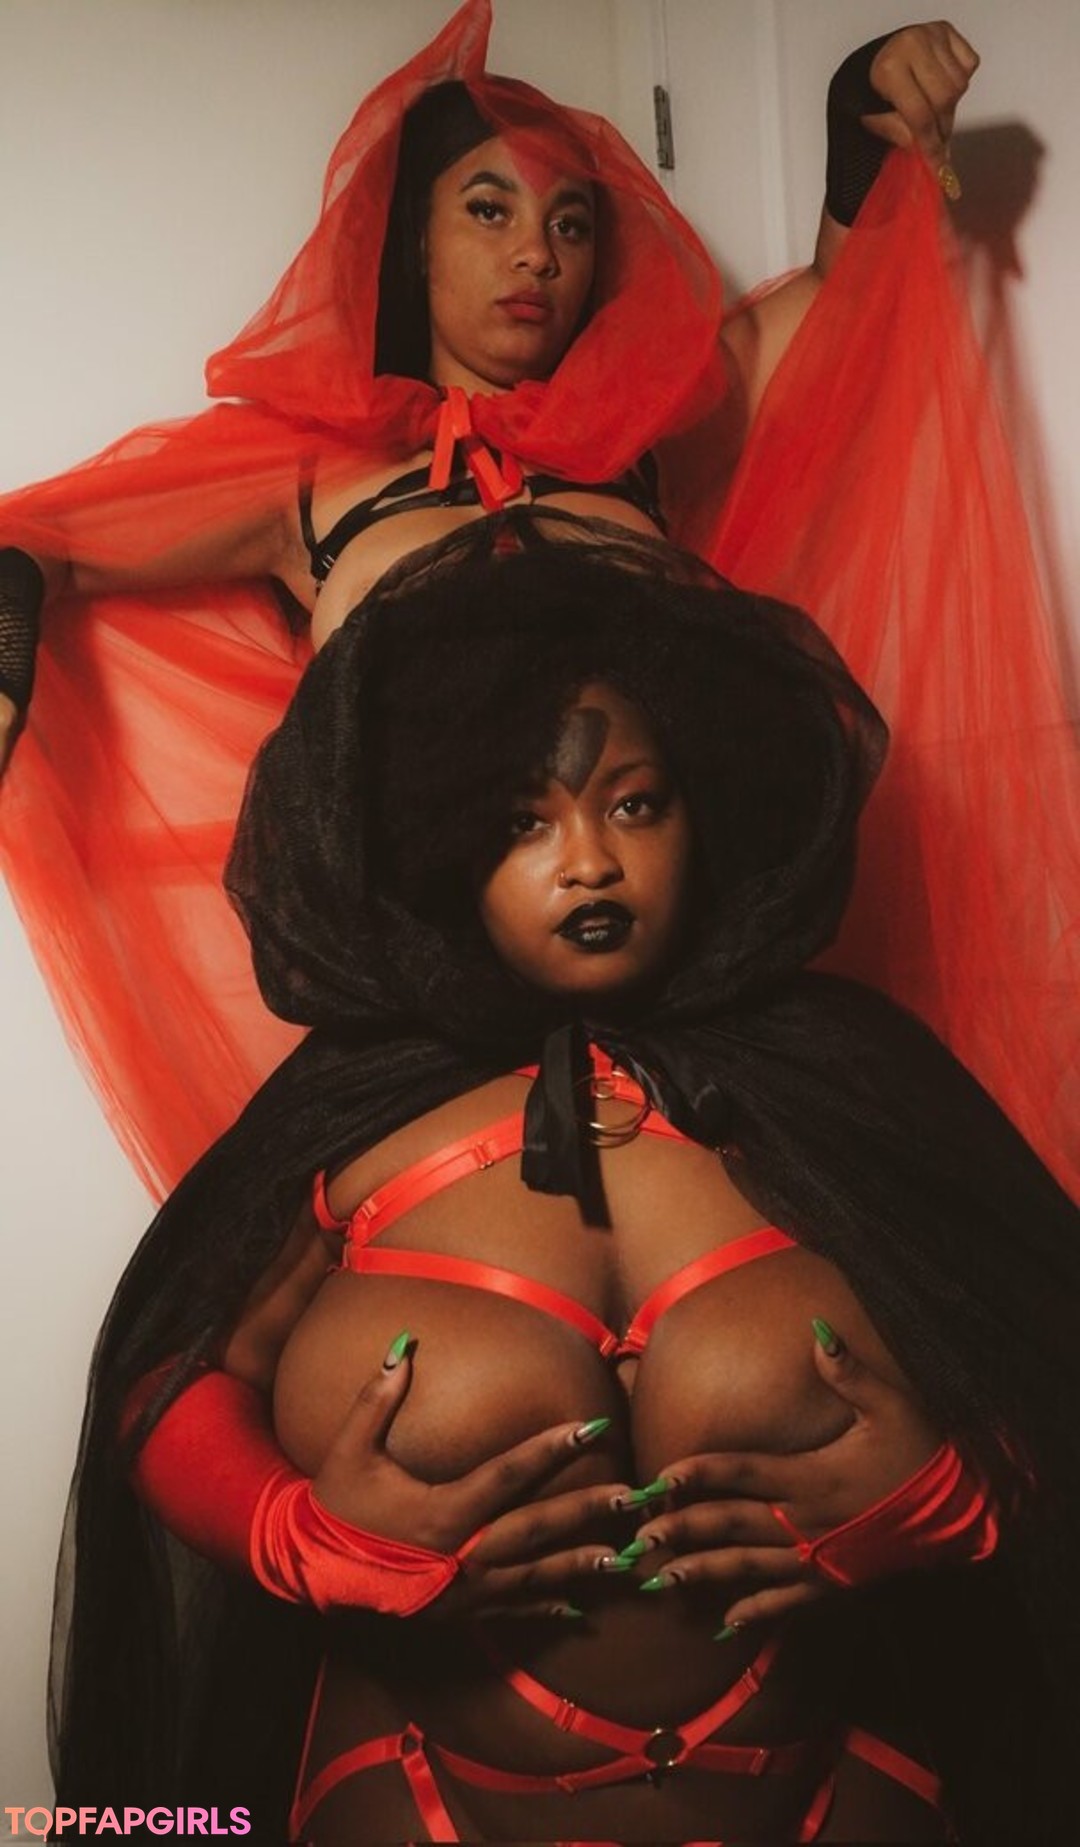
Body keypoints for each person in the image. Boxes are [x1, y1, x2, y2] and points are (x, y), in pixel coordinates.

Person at [58, 517, 1080, 1842]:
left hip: (850, 1795)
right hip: (420, 1803)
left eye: (634, 803)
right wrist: (291, 1532)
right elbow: (167, 1376)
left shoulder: (850, 1085)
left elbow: (1051, 1350)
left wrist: (965, 1489)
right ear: (442, 846)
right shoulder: (348, 1119)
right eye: (521, 819)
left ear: (705, 808)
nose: (590, 860)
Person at [0, 1, 1007, 1203]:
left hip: (695, 997)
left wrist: (861, 96)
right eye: (490, 210)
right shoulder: (312, 476)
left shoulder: (644, 439)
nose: (537, 253)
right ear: (411, 244)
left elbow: (845, 302)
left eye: (569, 222)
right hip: (430, 1032)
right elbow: (45, 544)